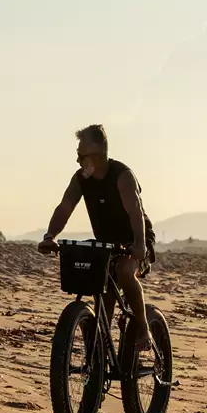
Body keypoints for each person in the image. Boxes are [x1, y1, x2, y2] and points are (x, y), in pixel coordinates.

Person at [38, 124, 156, 351]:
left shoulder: (122, 176)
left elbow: (135, 213)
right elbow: (65, 207)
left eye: (81, 156)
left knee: (123, 271)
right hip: (107, 244)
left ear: (99, 154)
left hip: (136, 240)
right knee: (101, 288)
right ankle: (100, 353)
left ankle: (143, 327)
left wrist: (139, 245)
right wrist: (50, 235)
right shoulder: (81, 178)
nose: (78, 161)